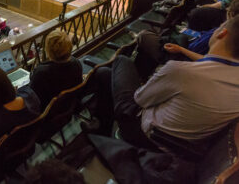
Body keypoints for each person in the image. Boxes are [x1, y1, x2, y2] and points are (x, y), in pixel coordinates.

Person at [97, 14, 239, 148]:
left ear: (222, 33)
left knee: (120, 61)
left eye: (220, 26)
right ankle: (101, 133)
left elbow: (140, 99)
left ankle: (101, 133)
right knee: (108, 75)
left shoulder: (181, 72)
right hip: (184, 144)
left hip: (147, 134)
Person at [26, 30, 82, 109]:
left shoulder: (41, 73)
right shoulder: (76, 63)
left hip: (48, 114)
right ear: (69, 47)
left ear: (48, 51)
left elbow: (33, 99)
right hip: (70, 106)